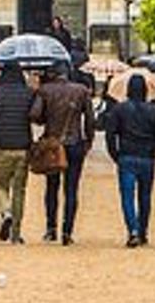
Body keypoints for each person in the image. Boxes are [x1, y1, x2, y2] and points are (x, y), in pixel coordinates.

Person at [103, 72, 155, 247]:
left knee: (127, 196)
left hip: (126, 155)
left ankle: (132, 229)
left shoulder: (120, 109)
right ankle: (143, 231)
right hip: (147, 157)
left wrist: (115, 154)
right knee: (145, 196)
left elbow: (110, 133)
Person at [28, 63, 94, 245]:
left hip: (52, 144)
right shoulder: (81, 91)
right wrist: (89, 141)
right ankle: (67, 230)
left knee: (51, 187)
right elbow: (89, 119)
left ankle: (51, 228)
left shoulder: (45, 90)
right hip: (74, 143)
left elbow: (34, 115)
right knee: (71, 188)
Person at [0, 62, 36, 243]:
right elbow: (36, 116)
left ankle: (6, 212)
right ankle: (16, 234)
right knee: (19, 189)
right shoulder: (28, 94)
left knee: (1, 185)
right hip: (22, 146)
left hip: (1, 145)